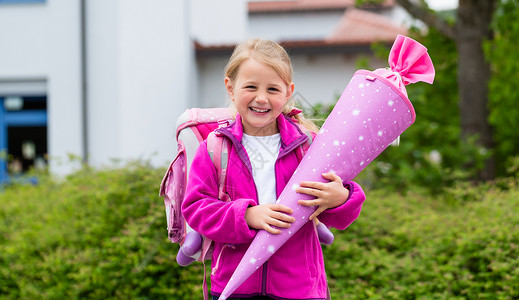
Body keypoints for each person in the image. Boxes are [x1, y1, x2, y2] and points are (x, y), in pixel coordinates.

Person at [182, 38, 366, 300]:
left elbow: (339, 214)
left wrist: (341, 198)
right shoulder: (215, 148)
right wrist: (246, 216)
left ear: (288, 91)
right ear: (230, 87)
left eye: (272, 89)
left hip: (300, 288)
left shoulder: (309, 146)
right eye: (250, 87)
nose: (261, 98)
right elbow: (196, 209)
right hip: (234, 286)